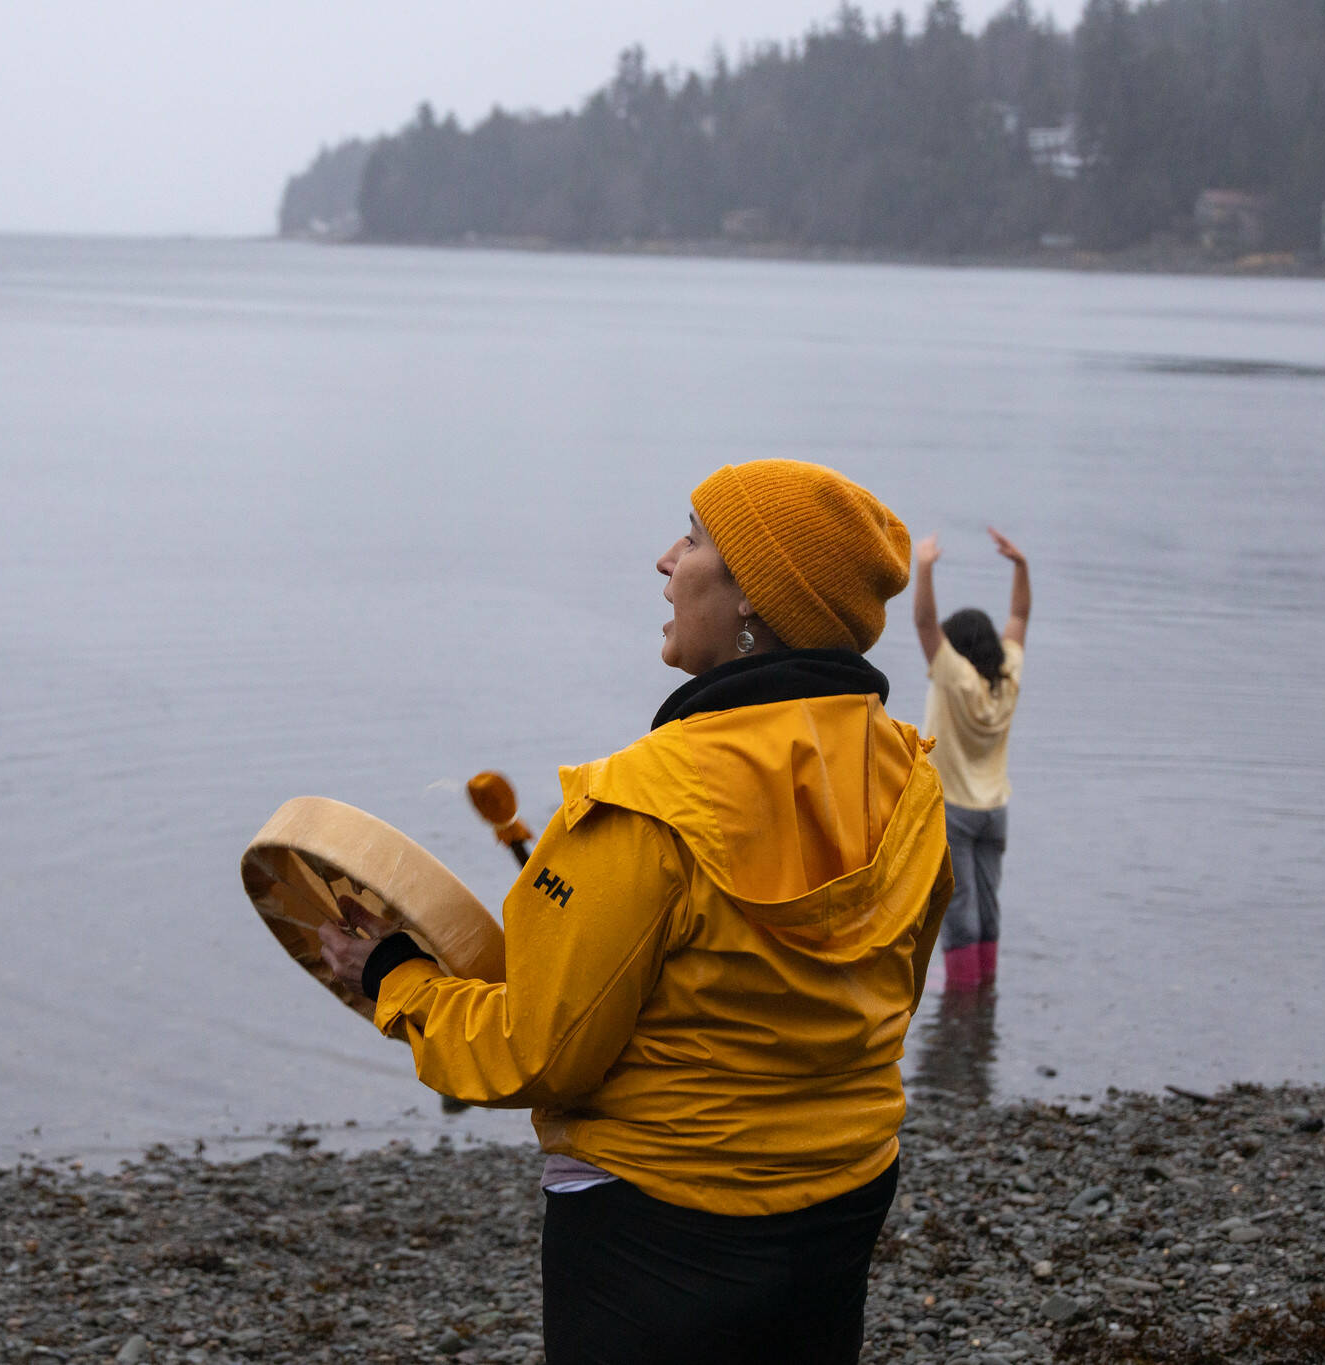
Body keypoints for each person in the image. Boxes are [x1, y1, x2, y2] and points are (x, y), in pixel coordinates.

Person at [318, 460, 953, 1365]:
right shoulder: (912, 778)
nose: (665, 559)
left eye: (693, 538)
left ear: (753, 602)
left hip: (658, 1225)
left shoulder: (644, 803)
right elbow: (889, 993)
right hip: (844, 1191)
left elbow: (537, 1053)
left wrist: (394, 976)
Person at [911, 526, 1029, 992]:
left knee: (958, 909)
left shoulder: (953, 678)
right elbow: (1019, 615)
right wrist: (1020, 566)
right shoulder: (1009, 677)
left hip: (954, 811)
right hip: (995, 810)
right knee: (989, 901)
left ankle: (963, 999)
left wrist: (923, 566)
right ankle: (986, 982)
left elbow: (924, 624)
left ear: (955, 650)